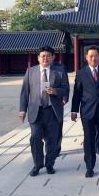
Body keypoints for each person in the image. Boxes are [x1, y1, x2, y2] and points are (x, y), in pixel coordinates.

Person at [19, 46, 70, 176]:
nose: (45, 58)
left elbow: (66, 89)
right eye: (43, 56)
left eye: (48, 56)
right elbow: (25, 92)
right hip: (36, 111)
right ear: (38, 58)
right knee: (35, 137)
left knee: (52, 140)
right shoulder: (31, 71)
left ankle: (49, 164)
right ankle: (37, 164)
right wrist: (22, 110)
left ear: (53, 57)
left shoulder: (59, 71)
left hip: (52, 111)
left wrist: (56, 91)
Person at [71, 46, 99, 178]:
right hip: (87, 110)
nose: (93, 58)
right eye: (91, 56)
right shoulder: (80, 73)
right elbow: (77, 93)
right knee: (88, 138)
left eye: (96, 55)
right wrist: (74, 110)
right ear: (86, 58)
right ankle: (89, 166)